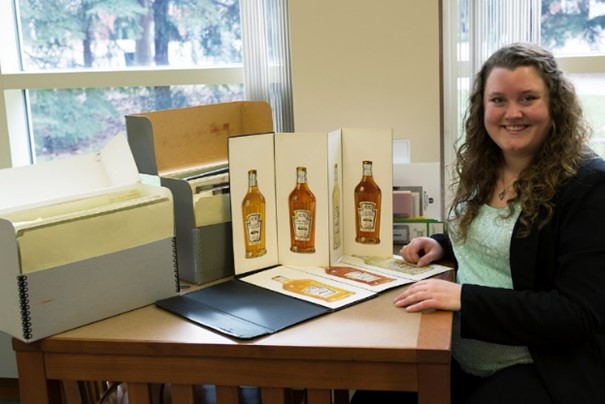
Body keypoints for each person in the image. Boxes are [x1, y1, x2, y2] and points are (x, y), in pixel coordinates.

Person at [351, 42, 605, 404]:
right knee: (371, 395)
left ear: (554, 106)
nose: (512, 113)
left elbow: (577, 314)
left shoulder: (588, 184)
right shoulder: (485, 165)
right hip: (455, 351)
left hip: (538, 366)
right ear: (482, 107)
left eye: (528, 98)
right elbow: (500, 240)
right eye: (498, 100)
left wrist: (463, 298)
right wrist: (443, 242)